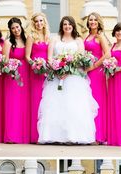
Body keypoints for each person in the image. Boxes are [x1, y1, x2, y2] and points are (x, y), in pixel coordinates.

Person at [38, 16, 98, 144]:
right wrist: (57, 70)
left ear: (73, 26)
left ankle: (74, 136)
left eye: (69, 24)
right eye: (65, 24)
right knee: (56, 105)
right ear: (61, 26)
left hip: (74, 77)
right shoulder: (55, 39)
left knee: (73, 105)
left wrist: (68, 71)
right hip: (56, 77)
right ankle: (55, 137)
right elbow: (49, 58)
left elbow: (80, 58)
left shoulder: (78, 40)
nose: (67, 26)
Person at [3, 17, 30, 144]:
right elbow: (5, 60)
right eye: (13, 28)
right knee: (13, 105)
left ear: (21, 27)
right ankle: (12, 136)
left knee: (24, 105)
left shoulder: (27, 40)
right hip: (14, 77)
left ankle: (24, 136)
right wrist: (13, 63)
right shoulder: (8, 43)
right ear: (10, 30)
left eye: (17, 27)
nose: (15, 30)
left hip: (27, 76)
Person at [84, 12, 110, 144]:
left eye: (95, 20)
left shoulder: (100, 36)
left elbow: (107, 54)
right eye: (90, 20)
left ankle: (100, 135)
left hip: (96, 72)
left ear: (98, 22)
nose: (92, 22)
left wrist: (93, 66)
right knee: (89, 102)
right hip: (87, 71)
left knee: (98, 101)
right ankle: (90, 133)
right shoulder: (87, 36)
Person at [25, 12, 50, 143]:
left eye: (41, 21)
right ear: (34, 23)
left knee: (46, 102)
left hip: (47, 73)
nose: (39, 23)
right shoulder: (31, 37)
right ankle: (35, 136)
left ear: (44, 22)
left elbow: (50, 55)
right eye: (36, 21)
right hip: (35, 74)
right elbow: (27, 56)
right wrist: (34, 65)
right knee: (36, 102)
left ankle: (45, 134)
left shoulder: (48, 37)